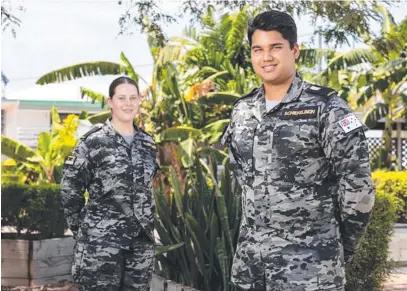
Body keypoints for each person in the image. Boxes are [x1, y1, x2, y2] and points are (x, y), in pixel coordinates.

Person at [221, 10, 375, 291]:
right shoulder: (241, 111)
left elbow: (358, 188)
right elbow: (242, 180)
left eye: (275, 47)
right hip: (250, 272)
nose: (266, 57)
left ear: (295, 50)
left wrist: (341, 248)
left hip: (310, 272)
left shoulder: (327, 108)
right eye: (258, 49)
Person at [61, 76, 159, 291]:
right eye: (121, 97)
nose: (128, 103)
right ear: (110, 102)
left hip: (140, 246)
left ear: (140, 101)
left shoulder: (148, 143)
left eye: (133, 97)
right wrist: (85, 230)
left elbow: (147, 191)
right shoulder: (93, 142)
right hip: (101, 246)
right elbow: (70, 189)